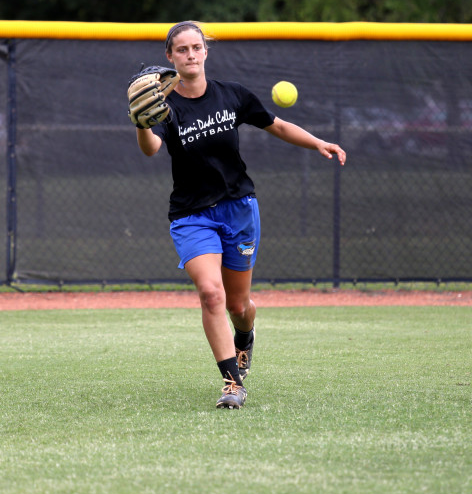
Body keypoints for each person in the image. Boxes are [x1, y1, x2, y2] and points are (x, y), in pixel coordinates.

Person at [134, 21, 347, 409]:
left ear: (206, 52)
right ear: (170, 57)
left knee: (238, 305)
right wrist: (141, 123)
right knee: (211, 294)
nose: (190, 55)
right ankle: (232, 382)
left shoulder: (231, 95)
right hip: (192, 214)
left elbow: (277, 125)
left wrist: (318, 142)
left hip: (239, 208)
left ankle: (245, 337)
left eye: (196, 47)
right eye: (181, 49)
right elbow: (150, 148)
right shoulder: (164, 107)